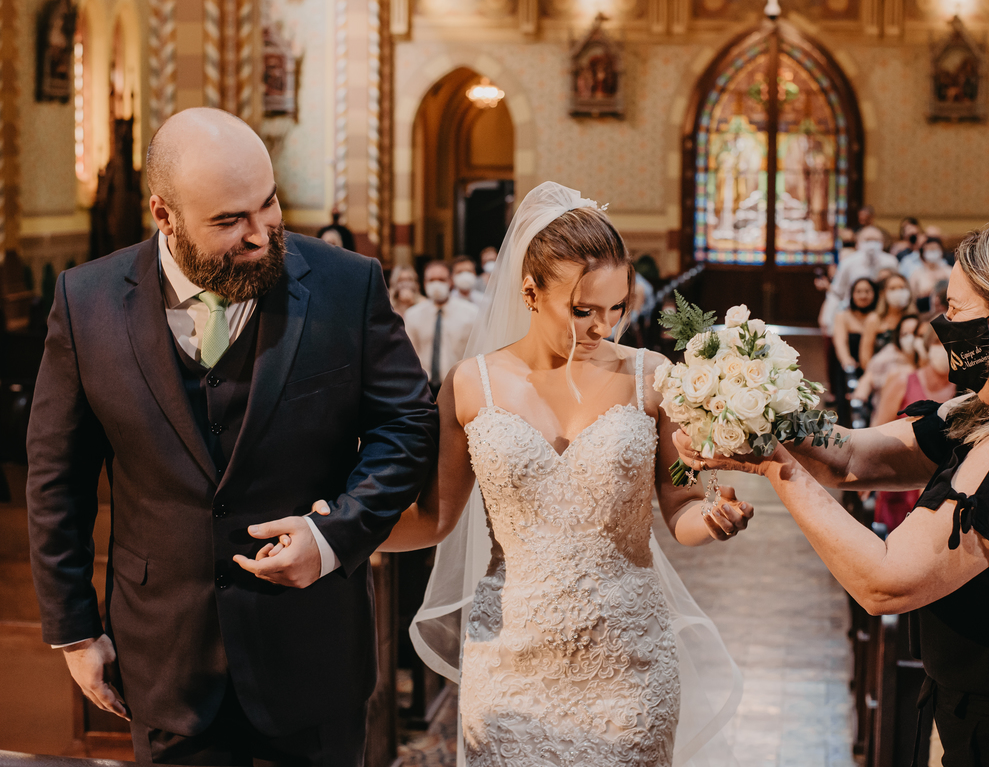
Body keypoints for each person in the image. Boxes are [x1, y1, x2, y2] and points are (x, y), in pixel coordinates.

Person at [24, 108, 439, 766]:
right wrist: (74, 629)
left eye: (267, 203)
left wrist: (333, 535)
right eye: (228, 220)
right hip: (166, 660)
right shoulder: (86, 301)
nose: (259, 233)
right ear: (164, 215)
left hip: (312, 653)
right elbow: (56, 475)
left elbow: (408, 425)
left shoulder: (346, 284)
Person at [677, 219, 989, 767]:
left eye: (956, 310)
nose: (944, 325)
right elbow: (853, 457)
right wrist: (755, 414)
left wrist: (778, 468)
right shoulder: (986, 412)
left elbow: (886, 583)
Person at [301, 182, 749, 766]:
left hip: (629, 664)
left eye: (617, 308)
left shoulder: (652, 378)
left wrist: (711, 518)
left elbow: (680, 509)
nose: (604, 328)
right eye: (583, 311)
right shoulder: (471, 385)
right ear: (530, 293)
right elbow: (435, 519)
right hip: (509, 662)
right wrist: (335, 531)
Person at [870, 328, 956, 532]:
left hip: (945, 482)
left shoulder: (963, 390)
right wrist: (869, 475)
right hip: (902, 479)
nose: (944, 350)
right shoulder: (903, 381)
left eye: (950, 345)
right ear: (927, 347)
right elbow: (878, 432)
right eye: (938, 343)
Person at [404, 260, 478, 397]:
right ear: (424, 283)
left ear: (450, 281)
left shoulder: (471, 313)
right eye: (431, 280)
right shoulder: (412, 315)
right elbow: (409, 355)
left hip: (458, 385)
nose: (436, 284)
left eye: (441, 279)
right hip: (423, 386)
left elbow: (476, 352)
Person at [821, 225, 899, 332]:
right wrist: (827, 317)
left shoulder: (891, 262)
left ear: (882, 242)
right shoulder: (848, 263)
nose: (872, 244)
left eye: (876, 240)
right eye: (867, 240)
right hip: (853, 314)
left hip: (881, 314)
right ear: (858, 243)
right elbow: (836, 293)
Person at [853, 313, 920, 409]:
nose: (910, 338)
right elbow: (869, 377)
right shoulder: (889, 354)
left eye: (914, 333)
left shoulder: (928, 358)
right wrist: (860, 396)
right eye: (905, 334)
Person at [859, 273, 915, 366]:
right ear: (884, 293)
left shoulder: (914, 320)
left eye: (902, 288)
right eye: (892, 288)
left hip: (907, 370)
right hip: (879, 371)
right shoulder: (874, 320)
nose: (898, 292)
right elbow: (865, 359)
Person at [833, 277, 877, 374]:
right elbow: (840, 342)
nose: (863, 296)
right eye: (858, 291)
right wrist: (846, 359)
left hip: (875, 369)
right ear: (852, 294)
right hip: (850, 368)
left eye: (867, 291)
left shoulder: (878, 317)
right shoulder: (843, 316)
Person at [907, 234, 954, 301]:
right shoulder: (916, 274)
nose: (933, 251)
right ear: (923, 253)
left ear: (941, 251)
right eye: (930, 249)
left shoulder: (949, 271)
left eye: (935, 249)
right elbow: (913, 297)